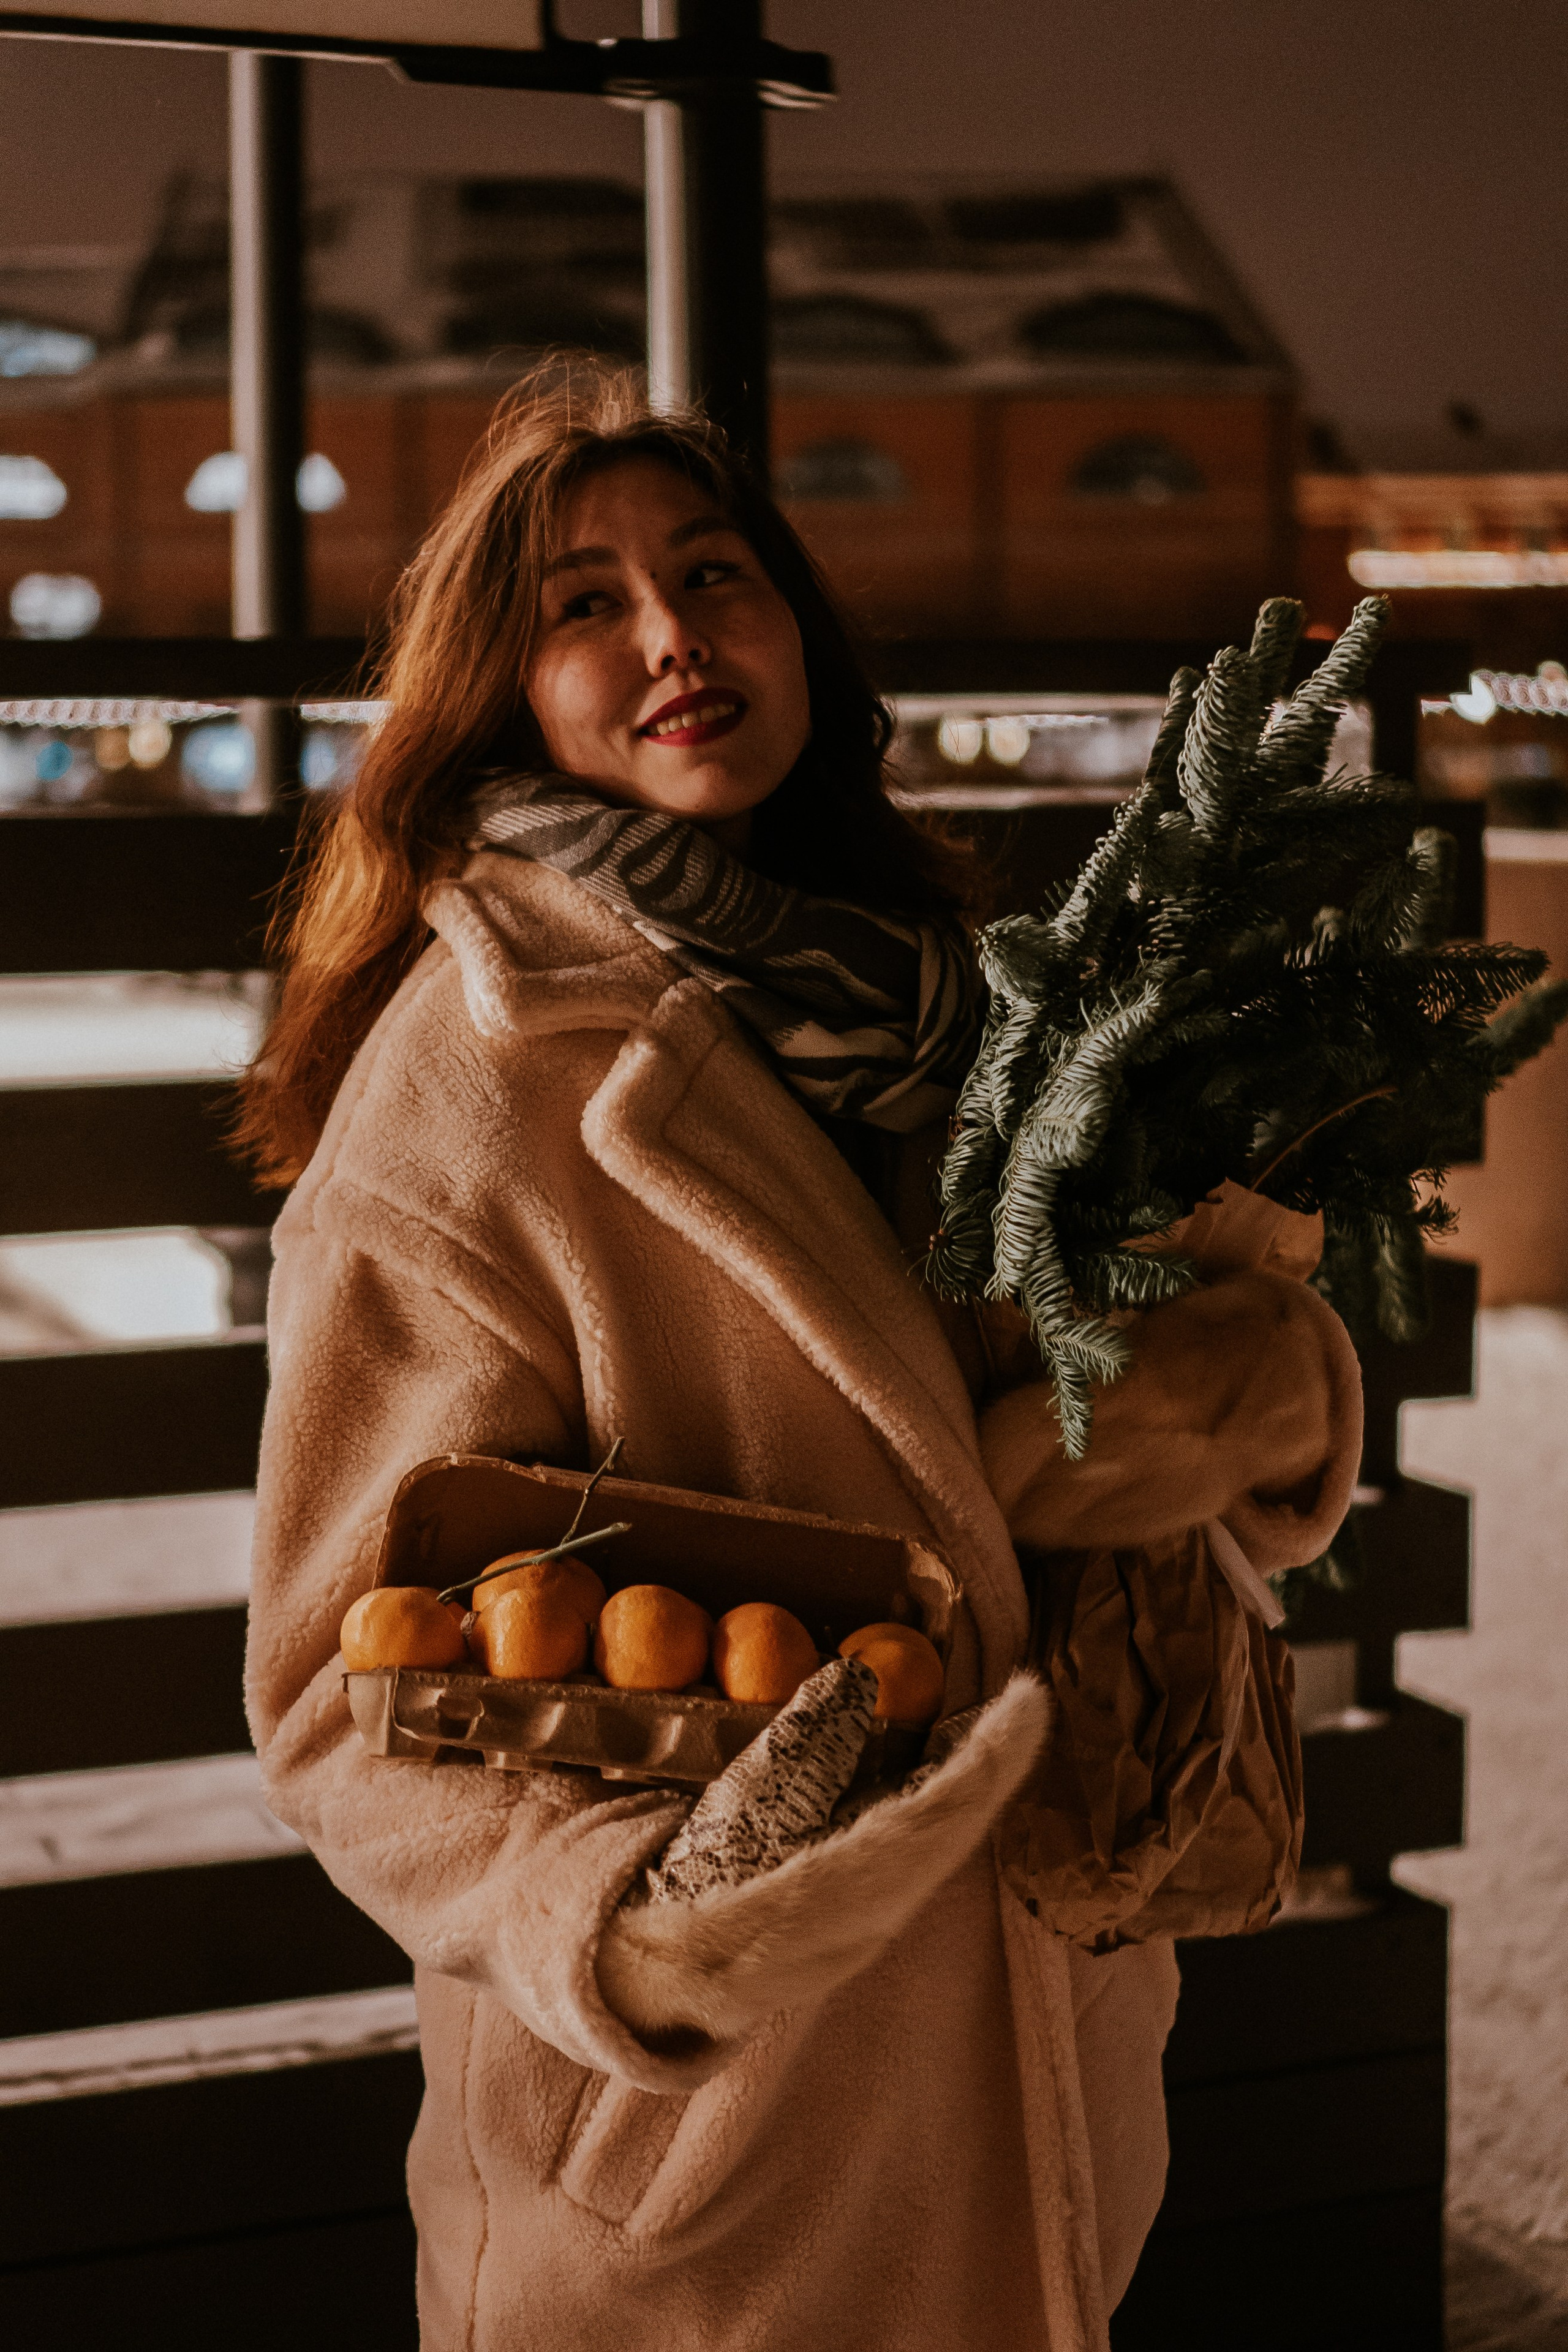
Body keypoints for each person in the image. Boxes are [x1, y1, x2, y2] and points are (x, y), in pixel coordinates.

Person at [243, 361, 1349, 2351]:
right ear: (502, 683)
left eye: (715, 572)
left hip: (1027, 2033)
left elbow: (1089, 1403)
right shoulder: (465, 1094)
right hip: (700, 2146)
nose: (672, 633)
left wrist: (1263, 1387)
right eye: (585, 601)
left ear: (799, 632)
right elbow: (340, 1693)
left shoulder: (960, 996)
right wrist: (643, 1938)